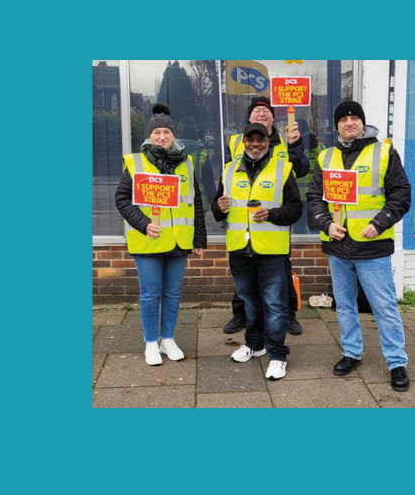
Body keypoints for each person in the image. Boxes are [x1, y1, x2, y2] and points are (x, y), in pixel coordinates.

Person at [308, 100, 412, 392]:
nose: (349, 122)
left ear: (362, 123)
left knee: (384, 306)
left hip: (372, 245)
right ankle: (351, 353)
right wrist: (326, 223)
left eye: (354, 118)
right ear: (337, 125)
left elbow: (401, 195)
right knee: (344, 305)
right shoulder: (326, 157)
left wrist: (379, 223)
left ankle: (396, 362)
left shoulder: (383, 152)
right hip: (338, 245)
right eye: (343, 119)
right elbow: (315, 198)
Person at [115, 103, 207, 365]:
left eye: (167, 132)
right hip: (148, 241)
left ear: (173, 135)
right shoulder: (136, 163)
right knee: (150, 293)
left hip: (179, 241)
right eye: (157, 133)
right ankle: (150, 343)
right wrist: (144, 223)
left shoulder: (186, 163)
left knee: (173, 293)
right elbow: (121, 199)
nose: (162, 137)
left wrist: (199, 238)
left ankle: (168, 338)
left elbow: (196, 201)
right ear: (149, 136)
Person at [211, 123, 303, 380]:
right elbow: (217, 210)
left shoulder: (283, 170)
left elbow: (296, 208)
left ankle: (277, 355)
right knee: (249, 302)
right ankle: (255, 344)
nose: (254, 143)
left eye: (259, 139)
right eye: (249, 139)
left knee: (275, 305)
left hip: (271, 251)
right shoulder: (229, 171)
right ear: (243, 142)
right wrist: (219, 207)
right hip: (240, 250)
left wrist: (272, 214)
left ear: (267, 142)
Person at [222, 95, 309, 336]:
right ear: (249, 118)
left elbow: (301, 170)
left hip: (276, 221)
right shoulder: (236, 142)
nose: (261, 113)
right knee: (244, 277)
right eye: (256, 111)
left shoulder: (285, 140)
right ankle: (240, 315)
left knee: (282, 271)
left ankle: (289, 316)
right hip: (243, 223)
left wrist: (297, 144)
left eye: (266, 111)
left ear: (273, 117)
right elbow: (228, 177)